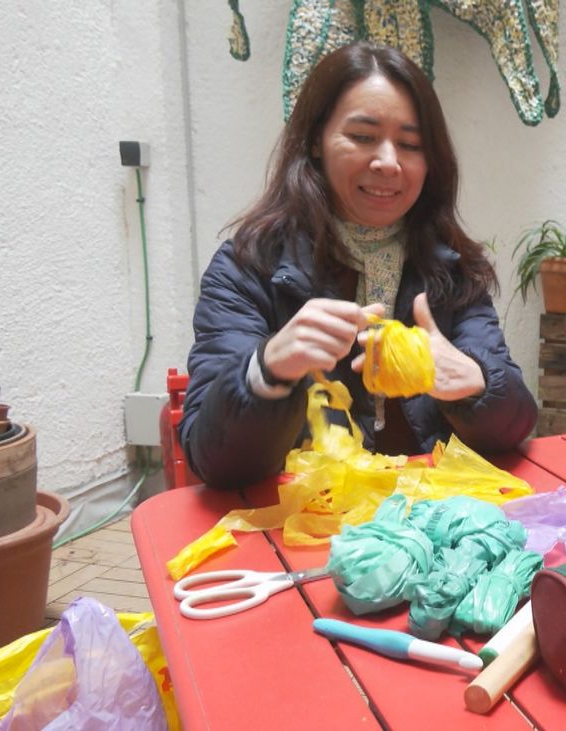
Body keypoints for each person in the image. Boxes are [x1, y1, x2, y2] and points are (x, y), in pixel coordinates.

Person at [182, 42, 537, 488]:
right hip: (302, 528)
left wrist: (478, 383)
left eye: (410, 144)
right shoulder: (248, 267)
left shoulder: (452, 269)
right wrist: (267, 370)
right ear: (315, 141)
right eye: (363, 137)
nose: (388, 162)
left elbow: (517, 424)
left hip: (430, 525)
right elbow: (211, 460)